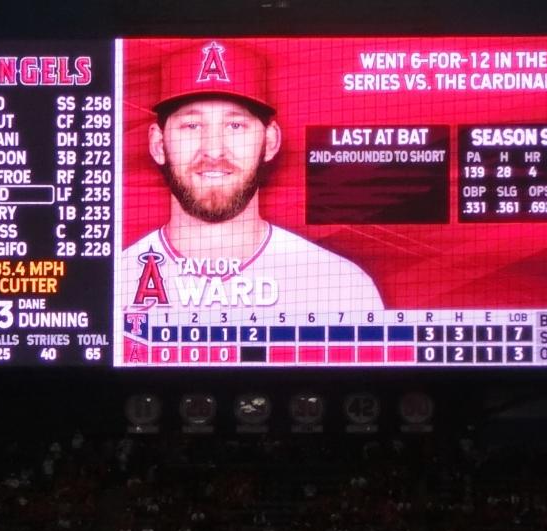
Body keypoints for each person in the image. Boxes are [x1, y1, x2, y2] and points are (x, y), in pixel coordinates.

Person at [119, 40, 383, 326]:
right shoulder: (115, 283)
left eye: (235, 126)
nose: (214, 151)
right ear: (158, 145)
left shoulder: (341, 288)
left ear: (270, 142)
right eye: (191, 126)